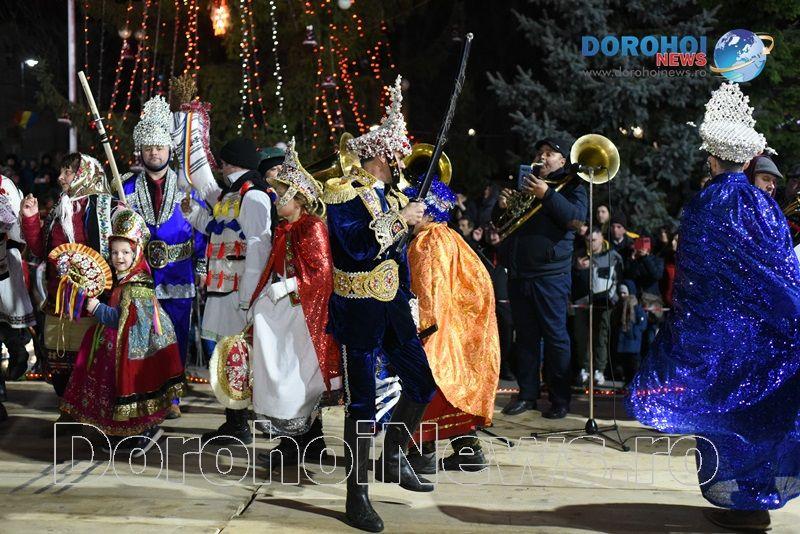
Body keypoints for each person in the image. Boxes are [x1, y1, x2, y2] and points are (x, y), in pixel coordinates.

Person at [627, 82, 800, 532]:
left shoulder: (704, 204)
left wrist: (686, 328)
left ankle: (740, 503)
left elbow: (694, 276)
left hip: (716, 338)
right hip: (761, 335)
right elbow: (782, 269)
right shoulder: (764, 206)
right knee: (756, 416)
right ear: (747, 159)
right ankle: (754, 502)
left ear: (712, 158)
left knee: (720, 417)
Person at [324, 75, 437, 532]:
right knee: (362, 405)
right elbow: (353, 246)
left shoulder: (394, 195)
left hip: (392, 306)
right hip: (357, 310)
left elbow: (399, 255)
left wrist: (409, 296)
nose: (400, 164)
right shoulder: (342, 191)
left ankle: (392, 456)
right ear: (379, 156)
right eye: (396, 156)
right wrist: (399, 219)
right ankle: (357, 495)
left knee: (422, 384)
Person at [248, 138, 341, 468]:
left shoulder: (311, 227)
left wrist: (289, 285)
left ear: (297, 198)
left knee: (296, 378)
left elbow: (322, 274)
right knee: (288, 374)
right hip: (289, 311)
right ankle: (308, 442)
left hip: (305, 315)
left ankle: (296, 443)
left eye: (280, 194)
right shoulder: (286, 228)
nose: (275, 198)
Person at [60, 209, 184, 454]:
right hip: (120, 344)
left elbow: (123, 320)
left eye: (126, 252)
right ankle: (122, 431)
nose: (119, 257)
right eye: (115, 252)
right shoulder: (126, 278)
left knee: (125, 384)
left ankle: (140, 430)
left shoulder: (137, 284)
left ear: (137, 252)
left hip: (133, 350)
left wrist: (98, 309)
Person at [402, 176, 500, 473]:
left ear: (427, 212)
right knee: (453, 390)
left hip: (437, 328)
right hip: (458, 326)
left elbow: (428, 288)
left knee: (427, 387)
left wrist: (420, 328)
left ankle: (421, 454)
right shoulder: (450, 236)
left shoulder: (427, 242)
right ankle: (469, 451)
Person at [184, 137, 272, 445]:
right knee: (228, 354)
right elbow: (218, 229)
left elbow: (259, 246)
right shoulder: (234, 194)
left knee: (239, 355)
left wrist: (249, 294)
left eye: (222, 164)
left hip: (239, 292)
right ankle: (235, 420)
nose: (219, 169)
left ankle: (243, 423)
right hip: (224, 288)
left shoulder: (253, 195)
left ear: (231, 164)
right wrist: (192, 214)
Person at [123, 96, 206, 419]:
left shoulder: (189, 188)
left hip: (178, 272)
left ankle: (172, 397)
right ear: (140, 151)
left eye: (159, 147)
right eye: (148, 148)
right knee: (142, 336)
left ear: (170, 149)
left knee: (177, 336)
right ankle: (144, 393)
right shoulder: (126, 189)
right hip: (141, 272)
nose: (154, 153)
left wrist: (201, 266)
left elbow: (201, 230)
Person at [497, 137, 588, 419]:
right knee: (525, 338)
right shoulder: (527, 184)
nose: (543, 157)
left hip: (551, 275)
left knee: (555, 338)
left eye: (550, 153)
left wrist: (546, 194)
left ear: (563, 160)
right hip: (520, 273)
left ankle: (560, 399)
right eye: (540, 152)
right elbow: (501, 225)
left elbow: (576, 220)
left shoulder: (573, 185)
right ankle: (527, 395)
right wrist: (501, 207)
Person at [20, 154, 116, 397]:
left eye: (68, 172)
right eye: (61, 171)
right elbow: (41, 251)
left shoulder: (108, 208)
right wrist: (31, 218)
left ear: (84, 174)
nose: (61, 177)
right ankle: (67, 407)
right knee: (60, 365)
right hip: (58, 302)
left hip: (92, 304)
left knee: (91, 364)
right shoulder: (59, 209)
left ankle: (88, 409)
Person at [572, 227, 623, 386]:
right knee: (583, 337)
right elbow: (574, 281)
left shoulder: (613, 256)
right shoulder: (579, 256)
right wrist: (579, 270)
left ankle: (599, 370)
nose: (591, 244)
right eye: (588, 241)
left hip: (604, 303)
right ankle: (585, 368)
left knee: (601, 336)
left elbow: (618, 279)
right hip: (583, 302)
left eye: (593, 240)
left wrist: (612, 298)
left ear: (601, 238)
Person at [0, 174, 35, 389]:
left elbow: (18, 233)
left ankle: (17, 351)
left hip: (4, 259)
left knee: (5, 318)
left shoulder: (4, 185)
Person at [613, 280, 647, 386]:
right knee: (625, 365)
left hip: (633, 343)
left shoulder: (636, 307)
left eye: (624, 293)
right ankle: (627, 383)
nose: (622, 295)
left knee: (633, 365)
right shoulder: (619, 306)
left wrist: (634, 332)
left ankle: (633, 384)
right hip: (623, 342)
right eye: (620, 293)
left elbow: (642, 323)